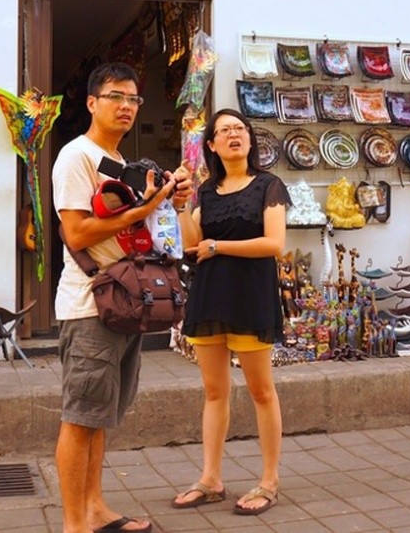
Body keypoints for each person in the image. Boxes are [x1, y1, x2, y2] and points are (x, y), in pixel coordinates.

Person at [52, 62, 193, 533]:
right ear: (92, 102)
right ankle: (75, 524)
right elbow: (75, 231)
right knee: (80, 418)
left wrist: (169, 201)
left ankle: (95, 509)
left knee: (101, 417)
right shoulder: (77, 157)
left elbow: (144, 230)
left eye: (134, 99)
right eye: (117, 97)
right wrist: (149, 205)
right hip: (90, 304)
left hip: (124, 303)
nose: (127, 107)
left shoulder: (123, 164)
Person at [172, 108, 291, 516]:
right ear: (211, 145)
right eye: (225, 131)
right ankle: (210, 479)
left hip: (251, 296)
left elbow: (274, 244)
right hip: (209, 297)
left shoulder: (268, 186)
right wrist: (180, 208)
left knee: (261, 391)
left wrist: (220, 247)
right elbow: (193, 244)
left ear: (250, 139)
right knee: (213, 391)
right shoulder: (205, 191)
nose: (234, 135)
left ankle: (269, 481)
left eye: (240, 128)